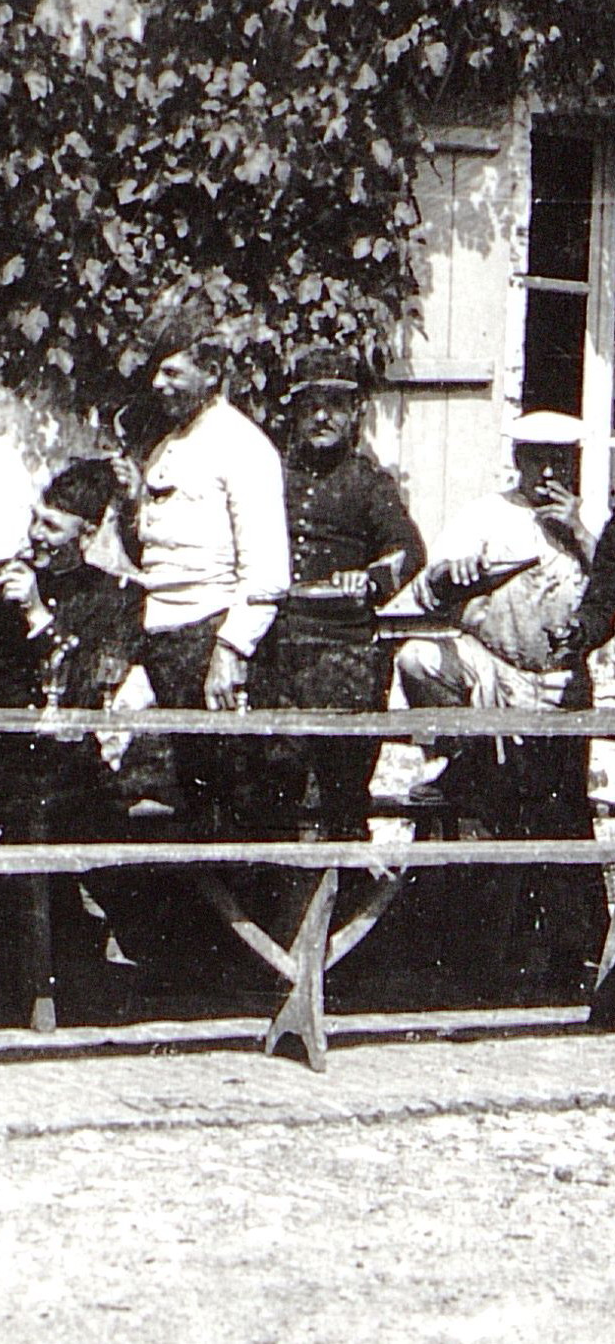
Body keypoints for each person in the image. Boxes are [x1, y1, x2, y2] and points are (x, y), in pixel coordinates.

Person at [399, 410, 603, 988]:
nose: (547, 472)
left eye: (559, 460)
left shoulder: (590, 526)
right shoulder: (483, 515)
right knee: (420, 661)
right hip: (492, 676)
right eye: (536, 459)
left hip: (560, 686)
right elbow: (422, 594)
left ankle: (571, 957)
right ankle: (457, 757)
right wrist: (450, 571)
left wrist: (581, 535)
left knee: (561, 816)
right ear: (516, 461)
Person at [0, 460, 144, 1022]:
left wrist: (37, 614)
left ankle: (54, 985)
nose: (36, 534)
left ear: (87, 535)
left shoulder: (114, 597)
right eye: (36, 520)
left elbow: (88, 682)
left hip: (67, 768)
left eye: (53, 527)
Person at [114, 300, 290, 828]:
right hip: (164, 635)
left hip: (209, 636)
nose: (158, 384)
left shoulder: (242, 446)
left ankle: (245, 910)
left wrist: (230, 651)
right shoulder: (168, 445)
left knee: (230, 796)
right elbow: (153, 549)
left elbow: (267, 571)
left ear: (212, 372)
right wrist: (130, 504)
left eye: (173, 371)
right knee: (182, 800)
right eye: (156, 372)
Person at [253, 347, 425, 834]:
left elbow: (408, 550)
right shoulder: (271, 477)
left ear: (355, 414)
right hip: (278, 649)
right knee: (273, 790)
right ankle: (277, 903)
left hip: (346, 651)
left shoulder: (369, 483)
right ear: (296, 413)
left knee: (344, 796)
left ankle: (350, 900)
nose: (323, 417)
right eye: (312, 406)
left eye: (335, 405)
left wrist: (368, 579)